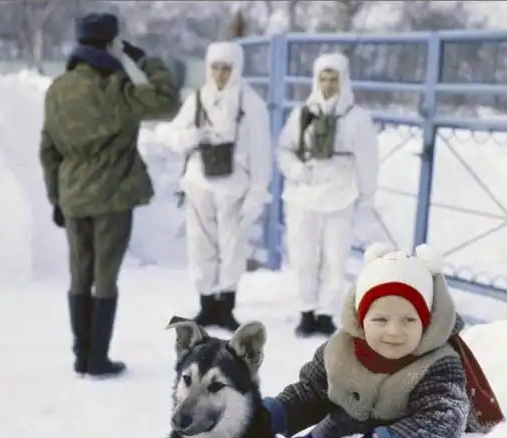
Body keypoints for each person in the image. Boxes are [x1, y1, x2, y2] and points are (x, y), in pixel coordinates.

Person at [263, 242, 504, 438]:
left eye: (409, 320)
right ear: (361, 318)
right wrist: (274, 413)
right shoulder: (341, 350)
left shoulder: (438, 364)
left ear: (426, 323)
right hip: (333, 433)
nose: (394, 331)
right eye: (380, 319)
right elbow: (312, 392)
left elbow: (442, 420)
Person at [39, 12, 180, 378]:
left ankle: (81, 354)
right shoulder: (117, 88)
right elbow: (167, 101)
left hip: (72, 195)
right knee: (105, 277)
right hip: (113, 195)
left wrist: (55, 198)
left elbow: (48, 149)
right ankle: (99, 358)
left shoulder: (57, 90)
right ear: (110, 44)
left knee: (78, 273)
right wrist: (145, 61)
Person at [165, 41, 272, 331]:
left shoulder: (252, 104)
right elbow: (172, 135)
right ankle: (206, 303)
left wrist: (257, 193)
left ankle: (226, 305)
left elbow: (262, 153)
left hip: (235, 187)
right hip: (200, 183)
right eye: (215, 67)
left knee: (232, 247)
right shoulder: (198, 98)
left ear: (236, 68)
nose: (220, 74)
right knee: (199, 245)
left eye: (226, 68)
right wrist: (192, 136)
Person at [277, 52, 380, 338]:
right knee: (303, 256)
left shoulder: (357, 118)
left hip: (340, 196)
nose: (328, 85)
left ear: (343, 80)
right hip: (303, 195)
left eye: (333, 79)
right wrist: (296, 170)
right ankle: (306, 309)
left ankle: (325, 312)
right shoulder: (301, 115)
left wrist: (366, 198)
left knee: (335, 258)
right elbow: (284, 149)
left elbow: (368, 162)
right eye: (323, 78)